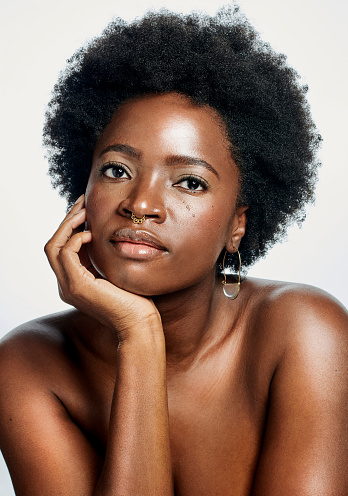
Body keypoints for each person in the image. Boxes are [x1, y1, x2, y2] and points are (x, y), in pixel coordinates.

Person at [0, 7, 347, 495]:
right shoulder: (28, 364)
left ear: (237, 225)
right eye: (117, 170)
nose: (140, 204)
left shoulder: (305, 334)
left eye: (189, 181)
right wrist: (139, 338)